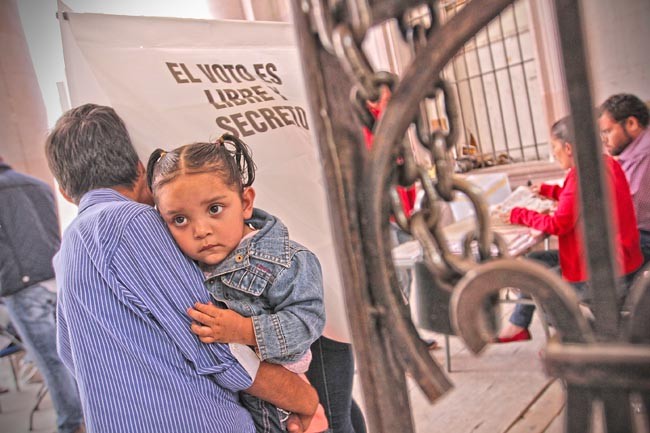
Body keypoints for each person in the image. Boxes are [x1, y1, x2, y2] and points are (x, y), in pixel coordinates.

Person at [45, 104, 318, 433]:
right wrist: (304, 399)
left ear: (63, 189)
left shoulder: (66, 252)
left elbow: (68, 352)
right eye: (179, 219)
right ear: (139, 170)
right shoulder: (134, 223)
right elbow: (215, 347)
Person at [146, 136, 328, 433]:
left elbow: (307, 323)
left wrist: (243, 330)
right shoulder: (187, 264)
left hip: (275, 399)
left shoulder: (287, 260)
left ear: (245, 203)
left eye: (215, 209)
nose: (201, 230)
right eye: (180, 219)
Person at [497, 116, 643, 342]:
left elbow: (559, 224)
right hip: (619, 258)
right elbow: (580, 199)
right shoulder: (605, 164)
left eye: (554, 147)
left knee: (541, 282)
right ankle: (518, 326)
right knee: (533, 261)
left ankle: (573, 339)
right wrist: (549, 191)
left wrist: (520, 214)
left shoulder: (581, 176)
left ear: (567, 147)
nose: (553, 153)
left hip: (603, 272)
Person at [0, 157, 84, 433]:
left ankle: (71, 426)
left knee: (52, 363)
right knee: (74, 357)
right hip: (55, 278)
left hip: (24, 289)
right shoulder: (38, 185)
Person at [598, 93, 650, 264]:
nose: (604, 140)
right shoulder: (631, 156)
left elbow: (634, 212)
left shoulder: (644, 156)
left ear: (631, 123)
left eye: (607, 131)